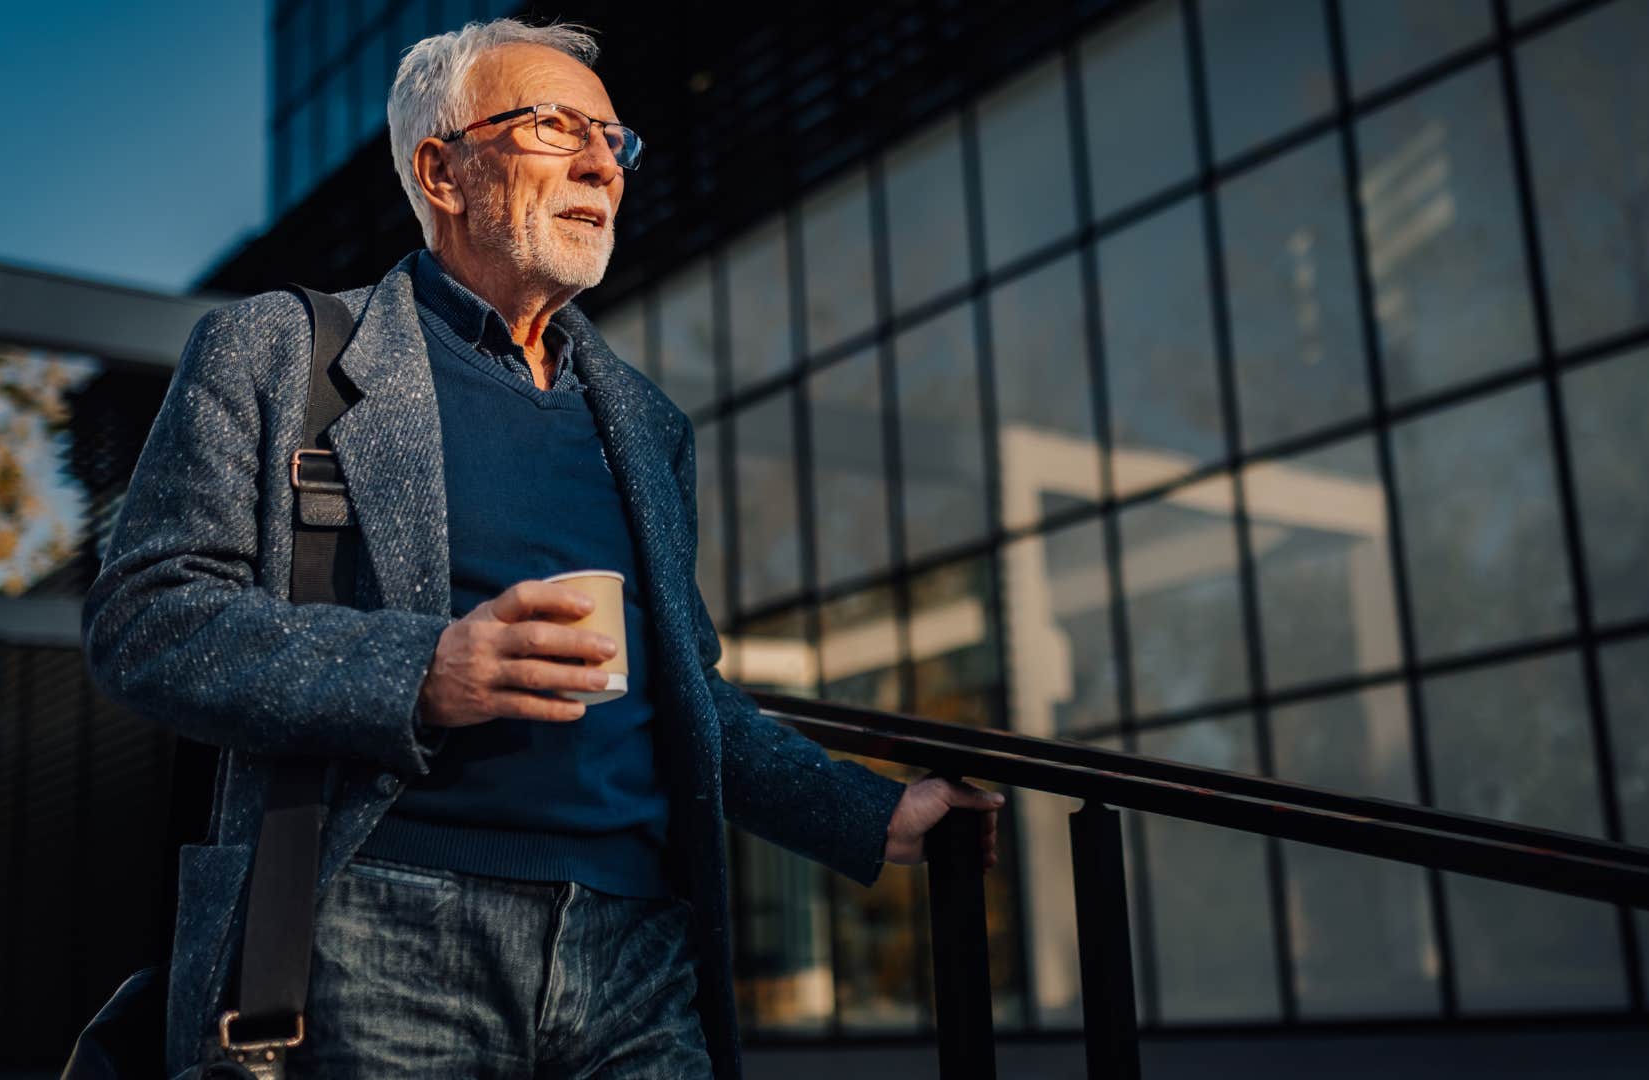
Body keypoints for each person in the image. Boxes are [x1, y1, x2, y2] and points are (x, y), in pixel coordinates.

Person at [82, 18, 1002, 1079]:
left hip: (637, 949)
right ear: (443, 169)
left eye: (615, 140)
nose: (602, 162)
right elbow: (147, 620)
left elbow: (686, 698)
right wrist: (425, 671)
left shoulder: (646, 423)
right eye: (557, 127)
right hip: (377, 925)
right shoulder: (279, 351)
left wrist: (869, 810)